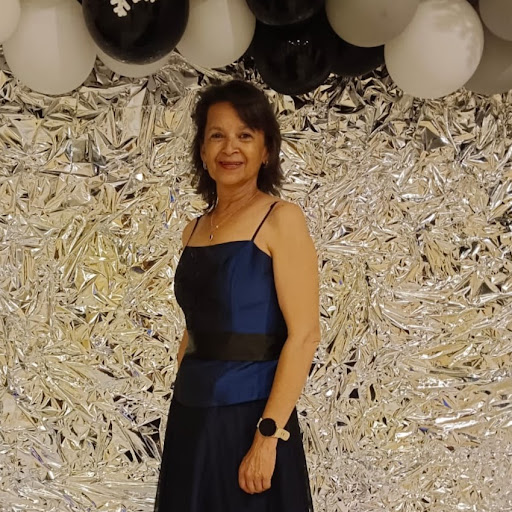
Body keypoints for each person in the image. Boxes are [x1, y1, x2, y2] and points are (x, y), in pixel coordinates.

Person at [153, 79, 321, 512]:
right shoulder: (193, 230)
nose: (230, 148)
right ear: (202, 151)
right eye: (217, 135)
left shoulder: (281, 218)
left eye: (245, 135)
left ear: (266, 151)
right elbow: (195, 329)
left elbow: (304, 335)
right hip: (192, 416)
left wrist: (268, 437)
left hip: (250, 418)